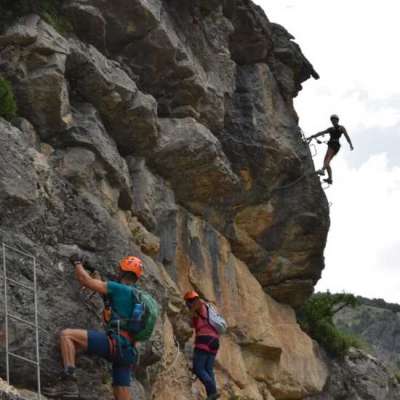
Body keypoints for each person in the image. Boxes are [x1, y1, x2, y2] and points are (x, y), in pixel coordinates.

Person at [43, 255, 145, 400]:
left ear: (122, 271)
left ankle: (69, 384)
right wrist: (95, 273)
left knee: (67, 336)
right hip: (129, 351)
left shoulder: (118, 288)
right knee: (120, 390)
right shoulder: (136, 295)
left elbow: (86, 281)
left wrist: (77, 263)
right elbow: (106, 293)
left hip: (115, 344)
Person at [184, 291, 220, 400]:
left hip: (204, 339)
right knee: (208, 370)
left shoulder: (198, 304)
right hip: (215, 340)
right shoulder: (209, 309)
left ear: (190, 300)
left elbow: (197, 305)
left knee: (198, 368)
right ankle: (212, 395)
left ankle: (213, 391)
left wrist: (190, 310)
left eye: (187, 302)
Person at [308, 114, 354, 184]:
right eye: (332, 120)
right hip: (332, 145)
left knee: (327, 159)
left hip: (334, 145)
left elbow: (346, 136)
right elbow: (321, 132)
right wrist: (313, 136)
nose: (333, 121)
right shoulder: (331, 129)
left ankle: (322, 170)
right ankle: (330, 179)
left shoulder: (341, 128)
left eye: (334, 120)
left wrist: (350, 144)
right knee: (327, 162)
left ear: (337, 120)